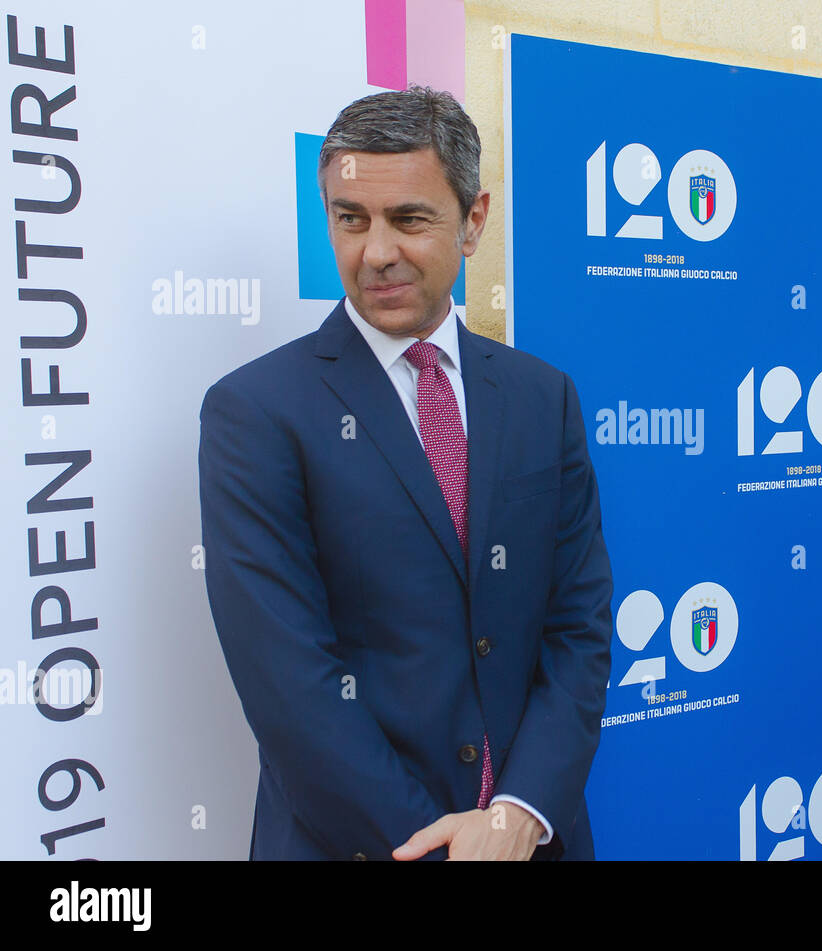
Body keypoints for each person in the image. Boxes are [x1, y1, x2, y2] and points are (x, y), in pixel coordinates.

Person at [198, 87, 613, 861]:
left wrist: (518, 814)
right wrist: (439, 847)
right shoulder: (255, 413)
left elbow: (579, 626)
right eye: (350, 218)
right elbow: (290, 684)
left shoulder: (540, 396)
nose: (376, 251)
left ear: (474, 220)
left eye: (408, 219)